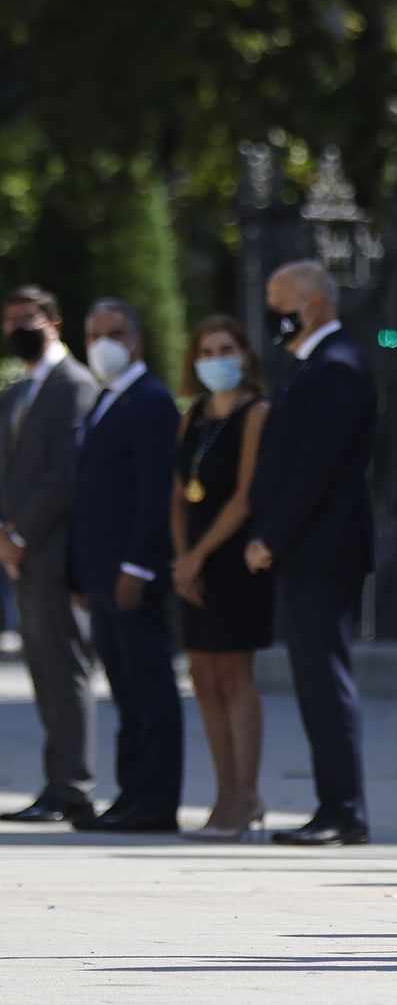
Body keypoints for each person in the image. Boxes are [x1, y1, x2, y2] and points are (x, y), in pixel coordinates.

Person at [246, 260, 376, 847]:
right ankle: (334, 803)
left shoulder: (336, 367)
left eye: (280, 301)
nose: (272, 314)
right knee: (313, 679)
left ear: (314, 305)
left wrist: (272, 536)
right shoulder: (313, 365)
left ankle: (343, 809)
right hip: (311, 551)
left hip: (322, 551)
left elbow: (315, 470)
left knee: (326, 679)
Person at [67, 298, 183, 832]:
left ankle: (155, 801)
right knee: (125, 688)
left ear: (135, 338)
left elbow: (154, 493)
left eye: (113, 333)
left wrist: (137, 566)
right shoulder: (107, 400)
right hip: (100, 572)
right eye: (93, 335)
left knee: (149, 685)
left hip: (131, 573)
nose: (102, 345)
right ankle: (132, 793)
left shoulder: (151, 400)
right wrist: (81, 575)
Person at [169, 316, 274, 840]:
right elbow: (177, 492)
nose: (216, 358)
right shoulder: (191, 417)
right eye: (206, 350)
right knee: (202, 677)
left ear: (245, 354)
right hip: (194, 561)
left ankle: (247, 794)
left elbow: (247, 494)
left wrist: (200, 555)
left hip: (235, 558)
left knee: (234, 675)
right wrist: (183, 556)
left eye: (226, 348)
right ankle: (222, 794)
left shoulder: (256, 412)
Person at [0, 286, 101, 825]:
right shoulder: (17, 391)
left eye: (28, 319)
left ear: (54, 321)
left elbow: (66, 473)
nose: (19, 328)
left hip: (56, 551)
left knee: (65, 669)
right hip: (22, 552)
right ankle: (56, 781)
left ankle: (74, 786)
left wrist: (21, 536)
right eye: (10, 320)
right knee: (41, 669)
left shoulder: (75, 384)